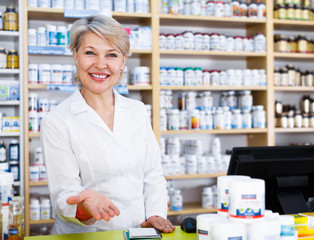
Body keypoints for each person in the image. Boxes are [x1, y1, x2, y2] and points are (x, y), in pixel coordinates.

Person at [40, 15, 175, 235]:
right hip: (84, 236)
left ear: (123, 61)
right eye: (90, 52)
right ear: (76, 56)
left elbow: (153, 175)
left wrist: (155, 215)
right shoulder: (56, 121)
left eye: (111, 55)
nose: (100, 64)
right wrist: (85, 208)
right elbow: (64, 196)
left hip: (138, 233)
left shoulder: (137, 110)